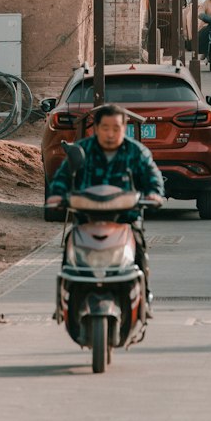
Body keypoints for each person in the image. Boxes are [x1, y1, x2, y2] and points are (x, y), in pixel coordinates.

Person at [45, 103, 164, 298]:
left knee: (139, 246)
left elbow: (152, 176)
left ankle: (144, 294)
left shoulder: (136, 152)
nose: (110, 134)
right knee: (69, 243)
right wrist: (57, 195)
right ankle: (66, 295)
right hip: (86, 218)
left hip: (125, 218)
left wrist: (154, 193)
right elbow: (63, 176)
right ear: (96, 128)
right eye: (105, 128)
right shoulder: (82, 150)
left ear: (124, 129)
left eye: (116, 129)